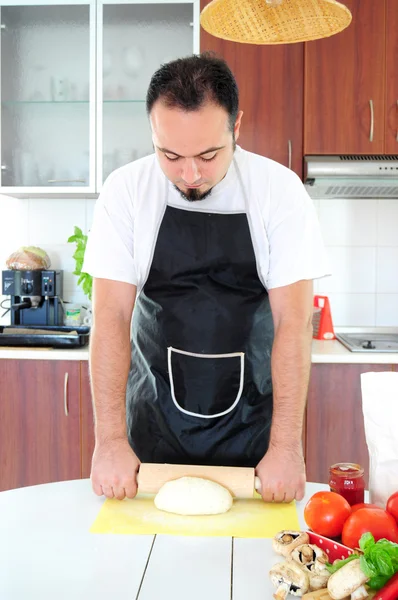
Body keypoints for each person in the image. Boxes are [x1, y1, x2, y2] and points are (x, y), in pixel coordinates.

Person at [83, 53, 329, 505]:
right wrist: (111, 440)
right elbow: (112, 315)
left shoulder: (278, 191)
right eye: (170, 155)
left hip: (254, 431)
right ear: (152, 133)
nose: (190, 175)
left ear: (236, 127)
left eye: (208, 155)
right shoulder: (126, 190)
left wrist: (286, 446)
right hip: (151, 425)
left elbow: (294, 324)